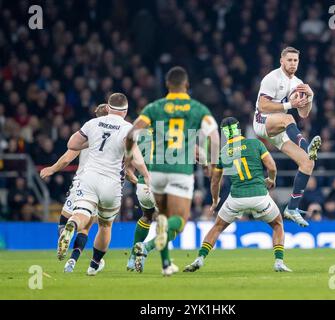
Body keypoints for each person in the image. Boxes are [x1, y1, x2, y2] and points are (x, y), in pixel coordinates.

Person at [124, 66, 220, 276]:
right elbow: (213, 135)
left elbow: (131, 134)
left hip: (155, 173)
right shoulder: (198, 109)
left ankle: (166, 264)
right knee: (180, 220)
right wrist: (211, 164)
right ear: (187, 85)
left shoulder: (154, 107)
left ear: (167, 85)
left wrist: (129, 158)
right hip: (180, 171)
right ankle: (154, 246)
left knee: (162, 217)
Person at [57, 93, 150, 276]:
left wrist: (92, 142)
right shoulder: (127, 128)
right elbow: (136, 157)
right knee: (105, 225)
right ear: (125, 111)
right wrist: (146, 176)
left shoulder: (92, 124)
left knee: (81, 213)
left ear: (107, 107)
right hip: (111, 183)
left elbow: (72, 144)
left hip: (89, 177)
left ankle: (72, 226)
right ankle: (93, 265)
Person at [184, 117, 292, 273]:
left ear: (225, 134)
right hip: (259, 196)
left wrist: (215, 201)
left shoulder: (222, 153)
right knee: (277, 225)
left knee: (217, 227)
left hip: (236, 198)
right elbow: (272, 166)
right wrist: (271, 179)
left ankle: (199, 259)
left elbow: (215, 181)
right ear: (238, 129)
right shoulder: (255, 144)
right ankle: (279, 262)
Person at [253, 46, 321, 227]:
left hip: (280, 127)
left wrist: (310, 97)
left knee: (308, 163)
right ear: (281, 61)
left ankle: (292, 208)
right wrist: (290, 104)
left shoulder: (298, 82)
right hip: (262, 123)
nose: (292, 63)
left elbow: (304, 113)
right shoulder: (272, 78)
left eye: (295, 60)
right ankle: (308, 147)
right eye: (289, 60)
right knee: (288, 117)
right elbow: (262, 106)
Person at [40, 104, 107, 273]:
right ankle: (71, 262)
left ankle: (65, 236)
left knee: (66, 218)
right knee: (86, 227)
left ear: (95, 116)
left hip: (82, 182)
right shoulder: (120, 133)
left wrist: (52, 168)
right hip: (105, 185)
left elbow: (67, 158)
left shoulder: (88, 133)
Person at [126, 126, 157, 271]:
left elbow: (129, 158)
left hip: (142, 186)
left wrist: (130, 172)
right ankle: (146, 247)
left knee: (146, 216)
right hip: (158, 185)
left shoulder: (139, 138)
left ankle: (132, 258)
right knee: (176, 223)